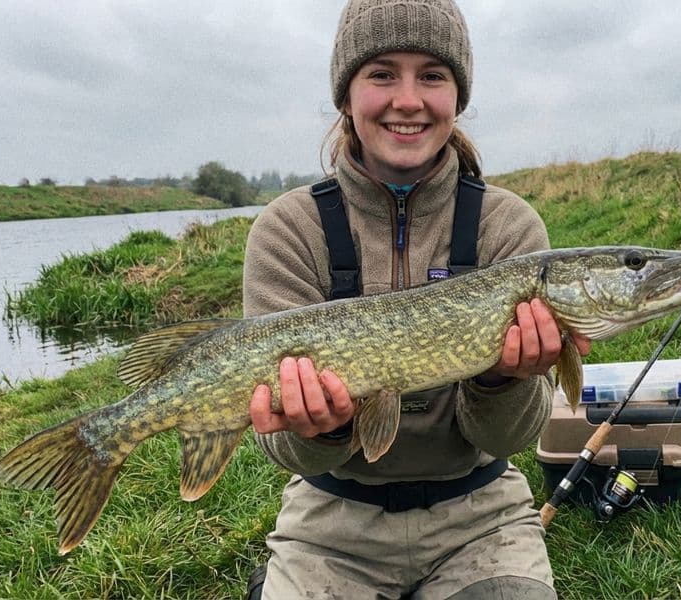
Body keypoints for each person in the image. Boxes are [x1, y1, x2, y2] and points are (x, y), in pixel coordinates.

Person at [242, 1, 590, 597]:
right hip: (330, 521)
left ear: (457, 95)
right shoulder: (287, 229)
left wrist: (499, 381)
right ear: (346, 93)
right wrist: (323, 430)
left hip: (478, 514)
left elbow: (509, 443)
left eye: (432, 75)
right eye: (382, 74)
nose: (408, 99)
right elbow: (285, 448)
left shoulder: (507, 227)